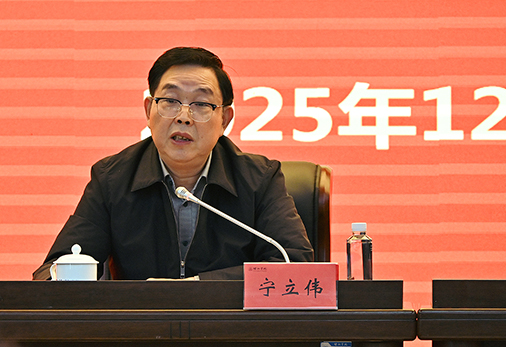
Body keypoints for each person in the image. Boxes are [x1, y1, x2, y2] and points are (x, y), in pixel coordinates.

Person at [33, 47, 313, 280]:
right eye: (170, 100)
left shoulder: (260, 179)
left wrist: (197, 288)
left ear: (225, 120)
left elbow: (294, 265)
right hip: (141, 325)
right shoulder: (112, 179)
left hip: (229, 326)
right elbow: (55, 269)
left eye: (201, 104)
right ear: (148, 110)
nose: (183, 117)